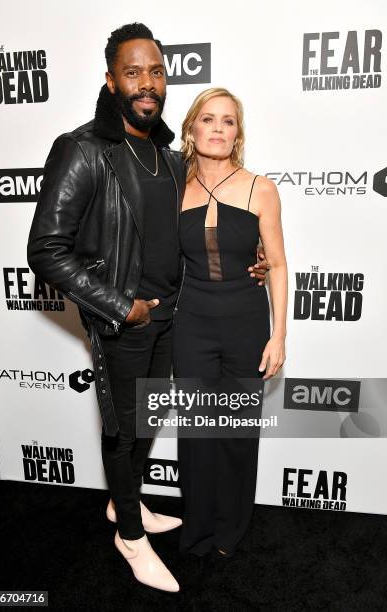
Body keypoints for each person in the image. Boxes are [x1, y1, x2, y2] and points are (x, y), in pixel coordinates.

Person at [27, 24, 269, 592]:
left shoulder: (166, 153)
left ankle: (123, 506)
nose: (147, 83)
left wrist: (249, 258)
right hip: (124, 320)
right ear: (111, 80)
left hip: (173, 317)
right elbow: (45, 249)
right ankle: (131, 538)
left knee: (149, 420)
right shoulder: (84, 149)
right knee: (125, 431)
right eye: (133, 72)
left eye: (156, 72)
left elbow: (198, 231)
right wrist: (120, 307)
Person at [173, 87, 287, 557]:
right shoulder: (171, 186)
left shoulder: (262, 188)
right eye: (208, 119)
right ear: (191, 128)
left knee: (238, 432)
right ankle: (196, 529)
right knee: (197, 433)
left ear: (238, 133)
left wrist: (279, 334)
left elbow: (276, 264)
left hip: (245, 322)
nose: (217, 129)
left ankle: (232, 528)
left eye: (228, 121)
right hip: (191, 323)